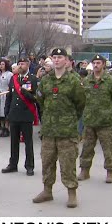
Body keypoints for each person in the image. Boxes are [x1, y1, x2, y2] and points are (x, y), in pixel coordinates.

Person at [33, 48, 86, 208]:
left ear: (66, 60)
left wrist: (68, 119)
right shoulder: (46, 80)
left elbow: (80, 104)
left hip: (67, 130)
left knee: (68, 163)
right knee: (47, 162)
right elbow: (40, 100)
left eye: (60, 57)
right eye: (54, 57)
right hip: (49, 130)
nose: (57, 60)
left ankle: (71, 193)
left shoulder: (74, 81)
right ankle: (47, 191)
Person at [78, 54, 112, 184]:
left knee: (108, 148)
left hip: (105, 121)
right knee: (87, 147)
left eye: (99, 62)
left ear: (103, 64)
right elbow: (81, 98)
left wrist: (109, 110)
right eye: (94, 63)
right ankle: (84, 170)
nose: (96, 65)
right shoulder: (86, 81)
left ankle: (110, 171)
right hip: (89, 120)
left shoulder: (110, 81)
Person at [2, 57, 39, 176]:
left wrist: (25, 93)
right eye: (19, 64)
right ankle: (13, 164)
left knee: (28, 141)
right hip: (14, 114)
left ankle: (29, 165)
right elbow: (9, 97)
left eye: (23, 64)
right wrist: (7, 113)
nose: (21, 66)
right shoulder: (14, 79)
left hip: (26, 113)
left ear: (28, 65)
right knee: (14, 141)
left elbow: (36, 98)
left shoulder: (33, 79)